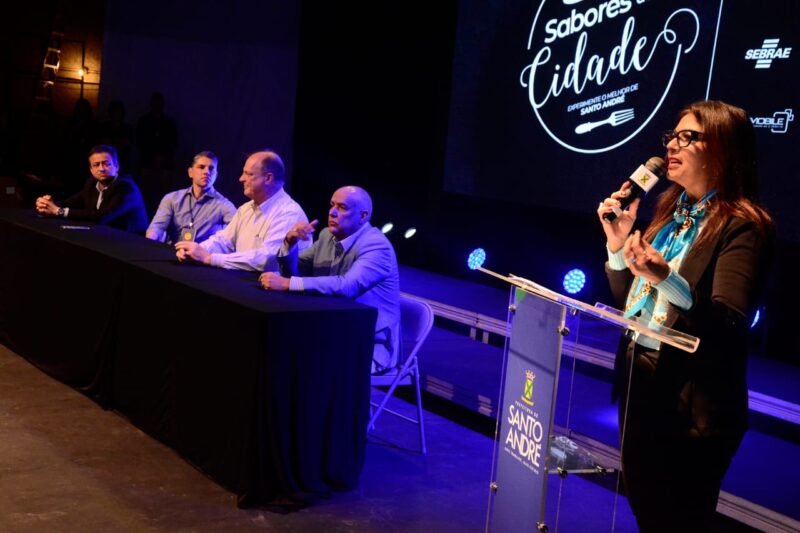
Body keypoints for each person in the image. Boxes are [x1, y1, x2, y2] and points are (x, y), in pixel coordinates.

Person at [597, 100, 774, 532]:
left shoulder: (743, 225)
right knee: (647, 515)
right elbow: (631, 303)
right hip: (642, 386)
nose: (672, 146)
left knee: (677, 522)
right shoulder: (669, 215)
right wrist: (618, 249)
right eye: (671, 137)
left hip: (691, 406)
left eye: (688, 137)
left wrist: (666, 279)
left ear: (722, 148)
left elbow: (728, 320)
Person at [259, 186, 401, 373]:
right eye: (332, 205)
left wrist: (288, 284)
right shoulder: (327, 236)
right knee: (276, 346)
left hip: (368, 344)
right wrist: (289, 243)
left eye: (342, 207)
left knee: (301, 361)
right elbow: (295, 271)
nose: (332, 212)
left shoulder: (376, 246)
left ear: (363, 216)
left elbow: (347, 286)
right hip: (333, 330)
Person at [175, 150, 308, 271]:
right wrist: (195, 250)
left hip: (275, 295)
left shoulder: (289, 213)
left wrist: (210, 258)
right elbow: (223, 241)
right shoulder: (245, 209)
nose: (241, 178)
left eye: (248, 174)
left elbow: (267, 260)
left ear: (268, 178)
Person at [35, 144, 148, 234]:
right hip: (104, 237)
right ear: (91, 169)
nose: (101, 169)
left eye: (106, 164)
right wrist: (48, 205)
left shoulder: (125, 187)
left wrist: (57, 211)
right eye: (96, 165)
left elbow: (102, 217)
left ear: (116, 166)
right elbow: (72, 202)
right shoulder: (91, 183)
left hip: (130, 241)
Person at [146, 150, 236, 244]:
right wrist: (149, 244)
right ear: (190, 172)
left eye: (211, 168)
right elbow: (157, 227)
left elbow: (238, 228)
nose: (206, 172)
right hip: (172, 253)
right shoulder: (172, 199)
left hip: (201, 256)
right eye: (201, 167)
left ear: (216, 175)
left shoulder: (223, 204)